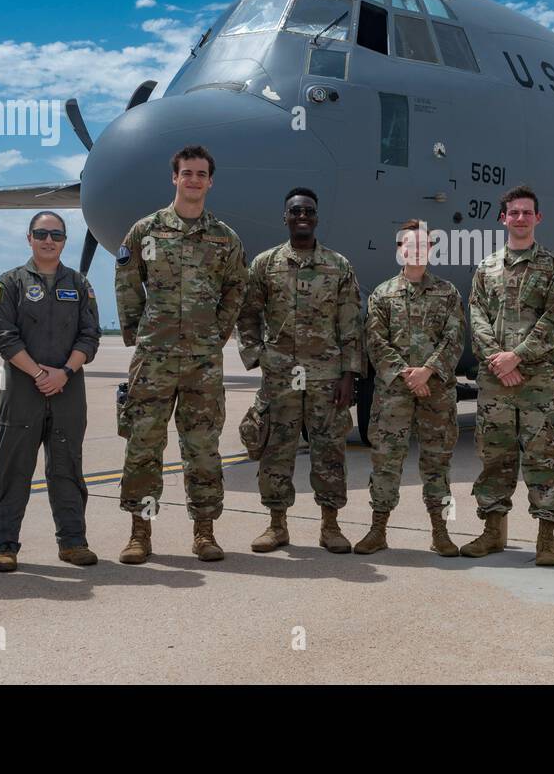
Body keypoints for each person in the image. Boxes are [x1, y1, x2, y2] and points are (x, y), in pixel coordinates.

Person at [115, 146, 247, 564]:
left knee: (203, 448)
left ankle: (204, 532)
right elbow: (127, 284)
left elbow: (235, 290)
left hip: (202, 364)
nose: (193, 180)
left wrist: (215, 335)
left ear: (210, 181)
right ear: (174, 178)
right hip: (153, 359)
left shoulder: (225, 238)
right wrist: (141, 335)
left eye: (201, 174)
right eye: (186, 172)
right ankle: (140, 533)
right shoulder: (146, 232)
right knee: (143, 446)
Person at [238, 188, 363, 554]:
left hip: (326, 377)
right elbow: (247, 314)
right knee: (276, 449)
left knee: (330, 451)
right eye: (296, 211)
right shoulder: (265, 264)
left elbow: (351, 323)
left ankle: (331, 526)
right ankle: (277, 526)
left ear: (317, 217)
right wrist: (257, 355)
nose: (302, 216)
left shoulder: (338, 265)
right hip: (280, 376)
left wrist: (349, 375)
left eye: (308, 210)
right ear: (286, 218)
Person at [461, 186, 554, 566]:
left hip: (537, 381)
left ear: (537, 218)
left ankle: (546, 537)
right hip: (495, 381)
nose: (520, 218)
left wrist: (517, 357)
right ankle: (493, 532)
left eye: (527, 212)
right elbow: (476, 316)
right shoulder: (486, 268)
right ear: (502, 218)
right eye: (514, 212)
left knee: (543, 457)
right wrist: (497, 359)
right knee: (495, 457)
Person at [0, 211, 101, 571]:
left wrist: (65, 372)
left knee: (67, 467)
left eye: (56, 234)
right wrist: (38, 373)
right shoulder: (11, 282)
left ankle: (72, 542)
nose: (48, 240)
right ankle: (5, 545)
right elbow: (2, 335)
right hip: (22, 389)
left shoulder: (80, 284)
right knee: (12, 468)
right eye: (41, 233)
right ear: (29, 238)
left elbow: (90, 335)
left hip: (68, 389)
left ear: (64, 241)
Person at [355, 219, 466, 556]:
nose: (415, 251)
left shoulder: (448, 293)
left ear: (430, 250)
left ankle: (441, 531)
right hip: (394, 395)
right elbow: (375, 341)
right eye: (409, 245)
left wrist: (429, 371)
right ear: (399, 250)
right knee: (385, 462)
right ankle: (378, 530)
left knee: (439, 465)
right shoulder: (382, 295)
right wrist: (407, 374)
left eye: (422, 245)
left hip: (436, 393)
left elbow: (455, 337)